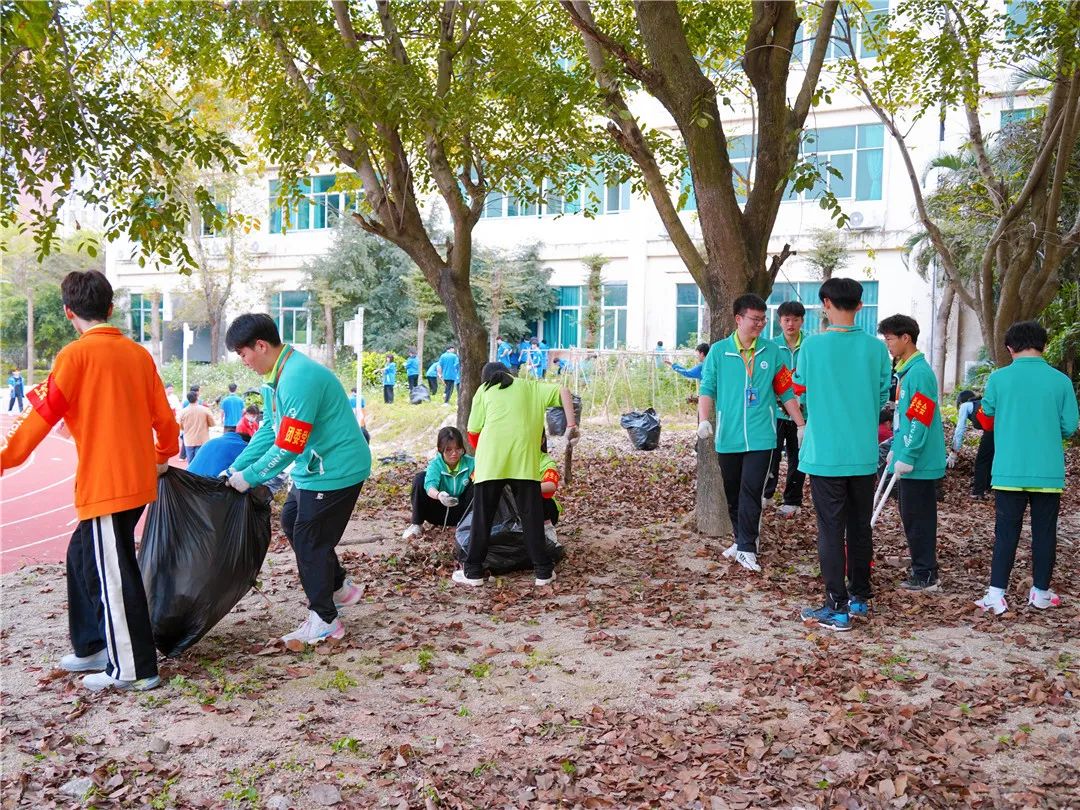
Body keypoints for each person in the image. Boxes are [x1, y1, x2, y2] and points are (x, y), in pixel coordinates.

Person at [1, 269, 178, 691]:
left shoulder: (74, 357)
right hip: (134, 480)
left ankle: (135, 669)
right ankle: (93, 645)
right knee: (83, 556)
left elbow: (42, 419)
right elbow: (165, 422)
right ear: (111, 308)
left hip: (106, 486)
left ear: (68, 312)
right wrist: (162, 455)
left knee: (115, 574)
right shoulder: (139, 355)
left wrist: (6, 458)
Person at [224, 313, 371, 644]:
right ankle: (338, 588)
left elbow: (289, 445)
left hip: (337, 469)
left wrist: (250, 477)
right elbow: (270, 431)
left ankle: (325, 620)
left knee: (309, 538)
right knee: (292, 520)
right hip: (313, 470)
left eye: (243, 354)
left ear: (260, 346)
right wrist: (237, 468)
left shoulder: (298, 378)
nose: (243, 362)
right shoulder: (275, 379)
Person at [794, 278, 892, 632]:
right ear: (860, 306)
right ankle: (860, 598)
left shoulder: (812, 347)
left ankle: (836, 607)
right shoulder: (878, 349)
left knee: (830, 530)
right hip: (863, 453)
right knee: (859, 528)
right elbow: (883, 396)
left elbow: (799, 388)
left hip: (825, 454)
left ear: (825, 304)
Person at [973, 321, 1079, 615]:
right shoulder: (1060, 381)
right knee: (1045, 533)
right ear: (1044, 345)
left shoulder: (999, 379)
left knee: (1006, 533)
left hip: (1008, 470)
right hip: (1047, 471)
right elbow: (1070, 426)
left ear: (1010, 348)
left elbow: (987, 415)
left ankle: (996, 595)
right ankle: (1041, 593)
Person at [698, 294, 803, 574]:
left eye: (762, 319)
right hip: (728, 437)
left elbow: (786, 390)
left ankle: (747, 548)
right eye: (755, 319)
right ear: (738, 319)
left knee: (751, 492)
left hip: (762, 436)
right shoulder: (719, 352)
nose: (760, 324)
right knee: (732, 493)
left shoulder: (771, 351)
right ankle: (739, 539)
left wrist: (800, 424)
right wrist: (703, 420)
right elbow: (707, 388)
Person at [458, 362, 579, 587]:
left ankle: (473, 572)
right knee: (531, 517)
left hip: (491, 462)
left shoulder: (484, 391)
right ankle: (543, 572)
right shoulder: (530, 387)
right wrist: (571, 425)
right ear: (509, 374)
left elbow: (473, 430)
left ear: (487, 378)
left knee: (482, 518)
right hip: (523, 460)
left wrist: (485, 453)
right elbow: (564, 391)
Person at [878, 314, 946, 591]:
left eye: (890, 339)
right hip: (910, 458)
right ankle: (922, 567)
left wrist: (908, 454)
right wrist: (896, 448)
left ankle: (926, 573)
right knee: (911, 515)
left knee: (918, 519)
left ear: (906, 338)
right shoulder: (907, 371)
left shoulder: (919, 374)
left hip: (920, 462)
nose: (888, 345)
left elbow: (921, 419)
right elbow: (904, 420)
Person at [762, 301, 807, 518]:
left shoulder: (810, 346)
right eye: (786, 319)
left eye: (795, 319)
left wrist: (802, 398)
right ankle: (766, 494)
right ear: (779, 321)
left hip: (804, 413)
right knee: (771, 454)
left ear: (802, 321)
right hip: (777, 412)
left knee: (798, 457)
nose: (791, 324)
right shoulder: (770, 347)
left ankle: (792, 500)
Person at [402, 426, 475, 539]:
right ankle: (416, 524)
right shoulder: (436, 464)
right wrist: (439, 495)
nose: (454, 454)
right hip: (438, 511)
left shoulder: (470, 463)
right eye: (449, 450)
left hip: (463, 511)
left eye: (458, 449)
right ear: (440, 449)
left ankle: (473, 525)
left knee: (479, 483)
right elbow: (429, 486)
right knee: (420, 478)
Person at [950, 389, 995, 500]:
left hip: (991, 431)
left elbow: (960, 429)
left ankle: (978, 491)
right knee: (990, 458)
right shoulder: (981, 403)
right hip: (1000, 430)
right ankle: (989, 487)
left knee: (981, 461)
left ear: (961, 401)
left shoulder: (965, 406)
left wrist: (954, 452)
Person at [177, 391, 215, 462]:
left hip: (189, 439)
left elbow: (180, 426)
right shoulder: (205, 410)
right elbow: (212, 423)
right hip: (202, 439)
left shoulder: (183, 412)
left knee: (190, 462)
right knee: (200, 461)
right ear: (197, 398)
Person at [539, 435, 562, 544]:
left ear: (542, 440)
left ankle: (549, 535)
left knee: (534, 496)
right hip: (519, 508)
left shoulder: (546, 462)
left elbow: (551, 485)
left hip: (546, 509)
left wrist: (526, 488)